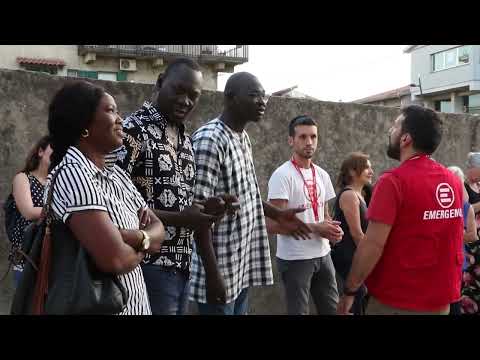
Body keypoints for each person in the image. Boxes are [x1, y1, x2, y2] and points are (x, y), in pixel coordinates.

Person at [115, 58, 229, 315]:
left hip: (182, 267)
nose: (185, 101)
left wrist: (206, 209)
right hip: (144, 265)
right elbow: (115, 205)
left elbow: (186, 211)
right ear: (160, 82)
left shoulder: (186, 142)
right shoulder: (133, 131)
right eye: (179, 90)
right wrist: (180, 218)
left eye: (193, 96)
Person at [190, 72, 311, 315]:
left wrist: (277, 214)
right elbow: (197, 214)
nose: (262, 101)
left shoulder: (242, 137)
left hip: (240, 263)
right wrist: (213, 276)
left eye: (264, 96)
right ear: (231, 98)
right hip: (218, 268)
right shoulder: (210, 140)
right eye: (254, 95)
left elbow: (248, 192)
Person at [46, 80, 165, 315]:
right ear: (84, 125)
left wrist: (132, 237)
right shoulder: (73, 173)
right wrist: (146, 243)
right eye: (111, 111)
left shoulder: (116, 174)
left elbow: (159, 229)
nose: (120, 119)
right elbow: (115, 260)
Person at [337, 105, 464, 315]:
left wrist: (350, 290)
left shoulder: (393, 181)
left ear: (405, 139)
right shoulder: (453, 181)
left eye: (395, 125)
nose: (390, 130)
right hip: (441, 302)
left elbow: (372, 245)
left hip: (398, 301)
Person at [266, 115, 343, 315]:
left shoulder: (322, 174)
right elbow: (272, 225)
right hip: (295, 259)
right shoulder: (282, 175)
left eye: (313, 137)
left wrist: (332, 231)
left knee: (332, 310)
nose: (309, 142)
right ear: (291, 140)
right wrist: (316, 227)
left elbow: (324, 215)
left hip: (323, 255)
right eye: (302, 137)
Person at [331, 152, 374, 315]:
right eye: (366, 168)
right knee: (358, 294)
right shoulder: (349, 195)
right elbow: (356, 233)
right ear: (352, 172)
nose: (371, 171)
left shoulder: (360, 196)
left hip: (357, 255)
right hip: (349, 257)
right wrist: (370, 257)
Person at [8, 135, 52, 286]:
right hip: (26, 258)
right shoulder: (23, 178)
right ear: (41, 152)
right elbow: (28, 211)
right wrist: (61, 210)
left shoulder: (58, 182)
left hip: (52, 259)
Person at [447, 166, 477, 315]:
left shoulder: (467, 207)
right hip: (439, 261)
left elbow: (472, 236)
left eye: (457, 181)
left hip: (458, 261)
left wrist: (453, 234)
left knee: (456, 301)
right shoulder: (439, 203)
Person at [461, 153, 480, 314]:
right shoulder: (464, 187)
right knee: (470, 279)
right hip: (471, 241)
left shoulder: (478, 185)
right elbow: (465, 210)